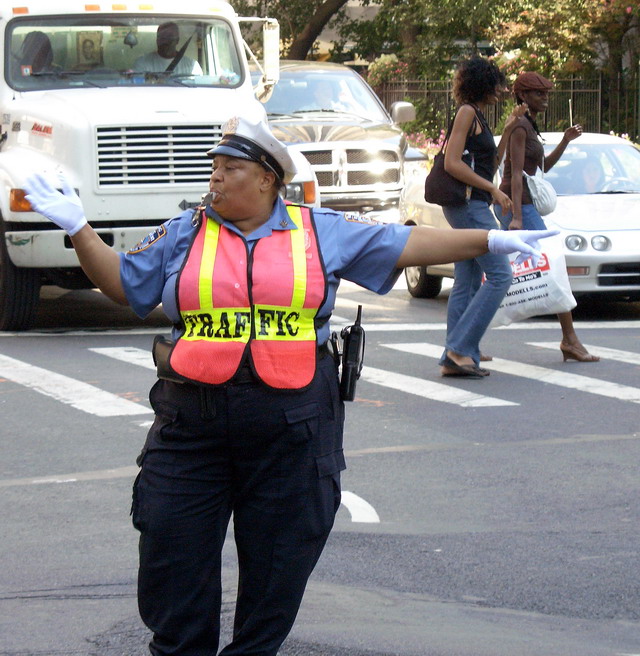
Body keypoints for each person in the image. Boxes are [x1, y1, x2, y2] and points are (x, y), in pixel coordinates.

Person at [23, 111, 555, 656]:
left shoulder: (316, 229)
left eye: (230, 168)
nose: (216, 178)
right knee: (171, 552)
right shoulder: (184, 232)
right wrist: (78, 229)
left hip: (293, 425)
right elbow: (123, 284)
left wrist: (487, 241)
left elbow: (407, 243)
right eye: (214, 167)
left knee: (281, 563)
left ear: (267, 179)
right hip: (192, 424)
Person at [497, 71, 599, 363]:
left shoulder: (529, 125)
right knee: (553, 266)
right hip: (519, 205)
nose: (545, 98)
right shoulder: (519, 127)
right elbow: (515, 174)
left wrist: (565, 140)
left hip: (523, 204)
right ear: (524, 96)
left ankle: (468, 341)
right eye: (540, 93)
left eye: (546, 93)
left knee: (496, 272)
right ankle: (570, 340)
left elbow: (541, 169)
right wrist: (516, 216)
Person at [438, 55, 525, 379]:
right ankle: (459, 349)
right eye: (497, 84)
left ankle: (460, 350)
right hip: (468, 206)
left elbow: (491, 160)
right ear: (483, 85)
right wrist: (494, 190)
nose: (501, 90)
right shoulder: (466, 113)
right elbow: (452, 163)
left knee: (468, 279)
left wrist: (506, 130)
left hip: (473, 204)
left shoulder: (479, 117)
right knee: (501, 275)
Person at [133, 21, 203, 75]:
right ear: (157, 40)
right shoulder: (142, 63)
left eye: (170, 37)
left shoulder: (192, 66)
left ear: (177, 40)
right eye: (163, 37)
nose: (166, 42)